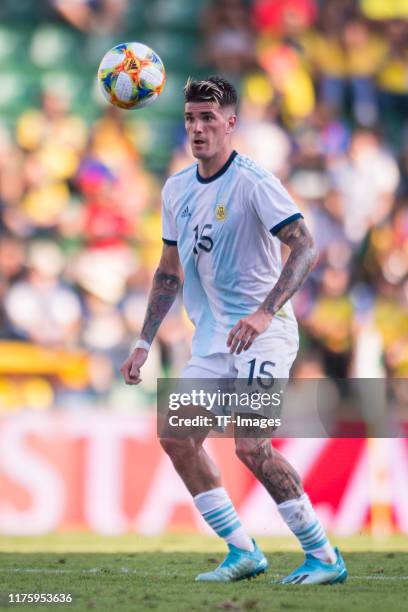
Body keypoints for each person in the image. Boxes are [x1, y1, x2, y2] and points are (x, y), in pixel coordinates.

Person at [120, 76, 348, 585]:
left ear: (230, 124)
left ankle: (324, 556)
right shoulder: (176, 188)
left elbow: (306, 246)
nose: (197, 128)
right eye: (189, 119)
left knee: (251, 445)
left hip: (264, 333)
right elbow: (167, 272)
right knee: (176, 437)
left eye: (207, 118)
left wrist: (266, 311)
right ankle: (242, 551)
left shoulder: (254, 182)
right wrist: (142, 342)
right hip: (211, 339)